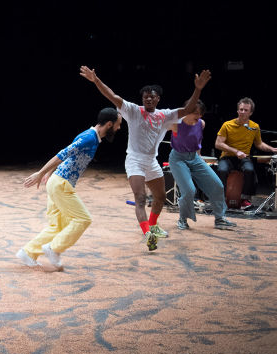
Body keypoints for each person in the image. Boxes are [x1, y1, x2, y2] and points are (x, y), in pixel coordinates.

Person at [80, 66, 211, 251]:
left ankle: (153, 225)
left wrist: (198, 88)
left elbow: (189, 109)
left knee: (160, 197)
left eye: (152, 96)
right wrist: (96, 80)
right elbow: (112, 96)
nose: (149, 98)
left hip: (151, 161)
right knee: (140, 199)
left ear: (158, 99)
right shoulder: (133, 111)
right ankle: (147, 233)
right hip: (134, 160)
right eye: (146, 96)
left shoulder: (164, 115)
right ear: (143, 99)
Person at [16, 108, 121, 270]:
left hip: (57, 181)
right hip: (61, 184)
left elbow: (68, 154)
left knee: (58, 226)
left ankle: (28, 252)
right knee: (83, 219)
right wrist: (42, 172)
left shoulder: (91, 135)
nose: (118, 128)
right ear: (109, 124)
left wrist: (49, 173)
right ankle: (53, 248)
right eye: (117, 125)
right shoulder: (89, 138)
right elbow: (63, 153)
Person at [168, 100, 236, 230]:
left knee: (217, 185)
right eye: (195, 112)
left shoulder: (201, 123)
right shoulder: (176, 123)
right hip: (178, 158)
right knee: (189, 190)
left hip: (194, 157)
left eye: (200, 113)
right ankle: (182, 219)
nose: (198, 116)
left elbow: (197, 141)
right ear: (186, 110)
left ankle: (220, 219)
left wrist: (199, 160)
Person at [215, 97, 277, 209]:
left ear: (251, 113)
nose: (242, 112)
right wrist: (236, 151)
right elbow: (218, 144)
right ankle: (221, 199)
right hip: (227, 157)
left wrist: (272, 149)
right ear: (237, 110)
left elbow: (259, 144)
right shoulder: (227, 125)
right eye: (241, 109)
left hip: (244, 158)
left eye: (246, 110)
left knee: (250, 170)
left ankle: (245, 199)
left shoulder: (254, 127)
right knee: (221, 170)